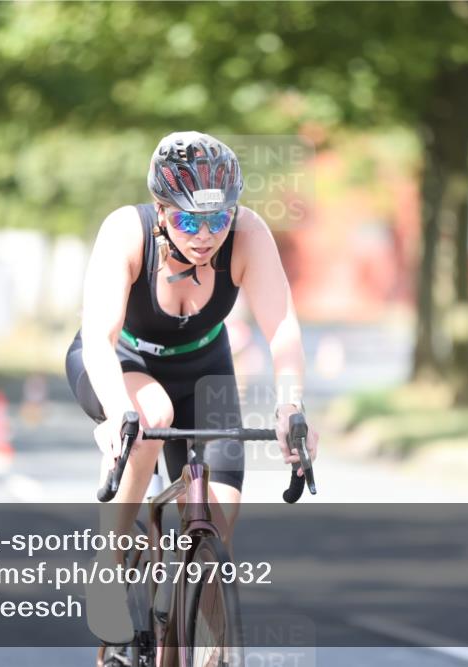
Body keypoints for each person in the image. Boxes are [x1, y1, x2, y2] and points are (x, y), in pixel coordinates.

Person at [64, 131, 319, 653]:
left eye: (217, 219)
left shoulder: (248, 234)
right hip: (122, 361)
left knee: (219, 512)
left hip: (205, 363)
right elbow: (99, 338)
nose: (204, 235)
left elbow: (283, 330)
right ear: (160, 210)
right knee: (149, 416)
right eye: (186, 220)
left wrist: (291, 407)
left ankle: (192, 630)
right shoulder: (125, 231)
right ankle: (109, 570)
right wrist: (117, 415)